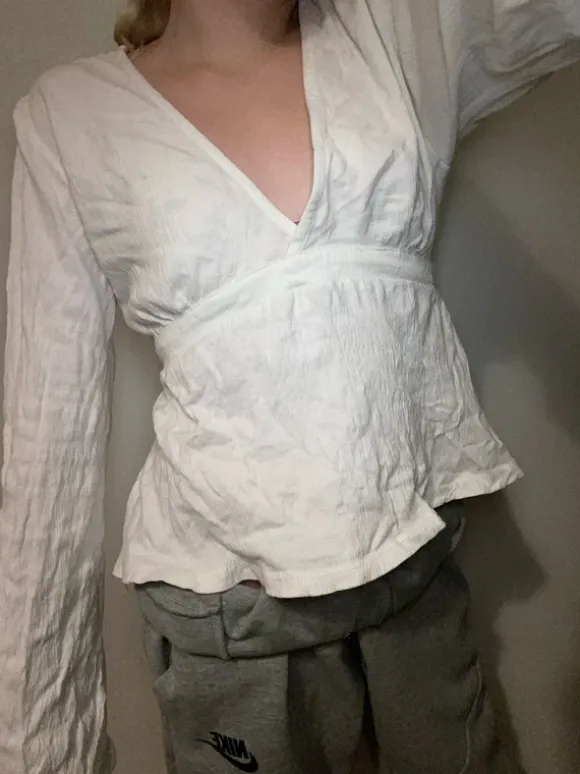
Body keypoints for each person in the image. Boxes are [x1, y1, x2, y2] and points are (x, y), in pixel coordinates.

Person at [1, 0, 579, 772]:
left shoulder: (398, 35)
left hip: (414, 573)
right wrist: (42, 750)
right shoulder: (71, 115)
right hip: (233, 618)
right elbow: (47, 439)